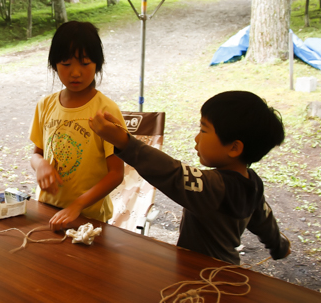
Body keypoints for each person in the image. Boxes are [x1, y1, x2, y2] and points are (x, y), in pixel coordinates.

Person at [89, 90, 291, 265]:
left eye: (203, 130)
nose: (196, 137)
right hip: (229, 270)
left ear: (234, 147)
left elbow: (172, 173)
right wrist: (279, 247)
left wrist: (124, 142)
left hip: (201, 274)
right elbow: (265, 221)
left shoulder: (214, 187)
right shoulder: (252, 183)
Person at [29, 21, 125, 231]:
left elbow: (116, 173)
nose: (75, 72)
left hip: (90, 218)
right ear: (54, 65)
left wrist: (78, 205)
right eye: (66, 64)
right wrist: (41, 165)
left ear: (98, 64)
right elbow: (36, 154)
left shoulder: (106, 110)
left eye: (84, 63)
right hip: (48, 209)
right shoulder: (45, 105)